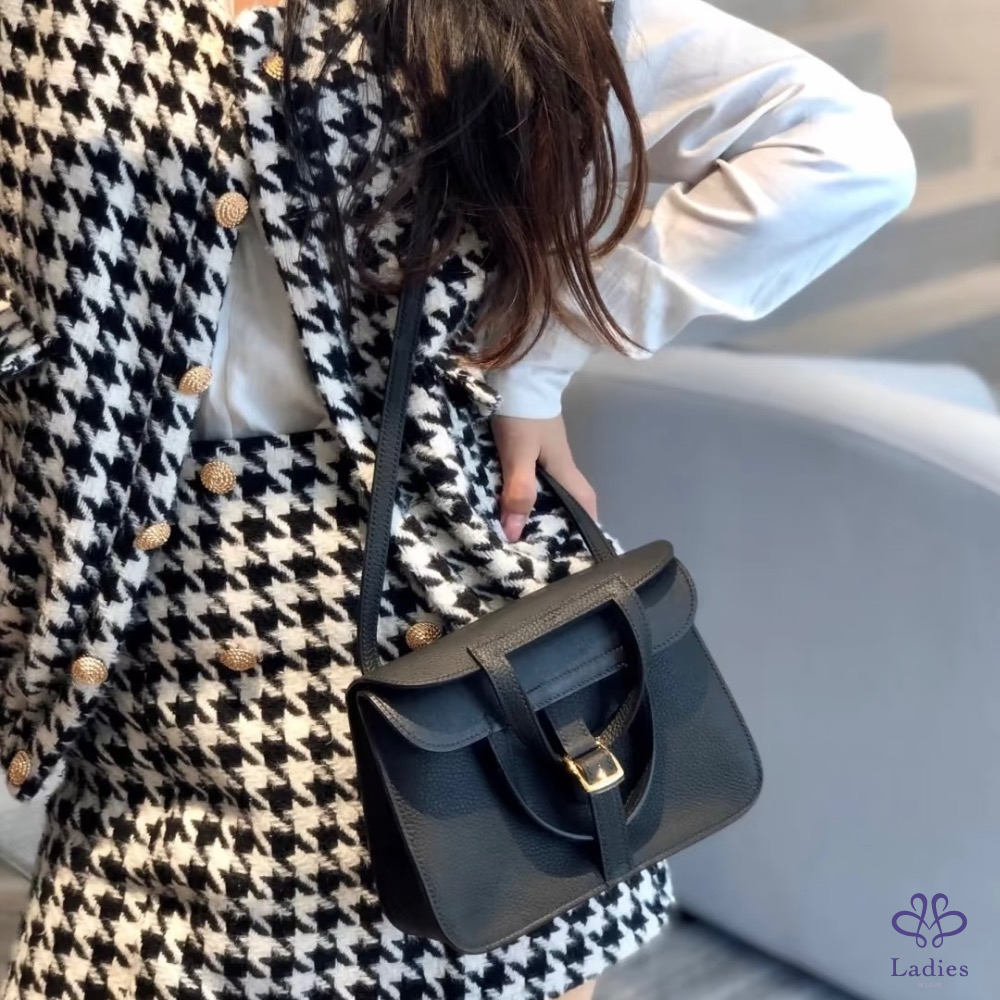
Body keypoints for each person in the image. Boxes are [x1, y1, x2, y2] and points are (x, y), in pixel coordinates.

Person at [0, 0, 914, 996]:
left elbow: (842, 150)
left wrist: (540, 352)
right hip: (150, 651)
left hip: (450, 636)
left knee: (495, 946)